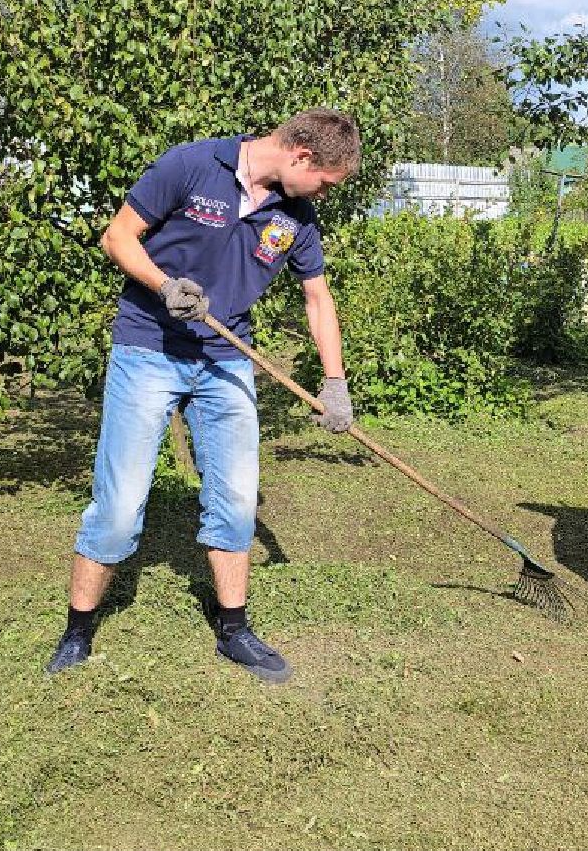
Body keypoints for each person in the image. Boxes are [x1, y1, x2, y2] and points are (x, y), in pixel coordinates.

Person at [45, 108, 362, 684]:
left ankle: (233, 629)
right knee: (119, 505)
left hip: (226, 359)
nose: (324, 195)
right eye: (325, 182)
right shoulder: (192, 165)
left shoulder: (296, 216)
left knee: (236, 499)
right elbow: (117, 237)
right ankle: (78, 630)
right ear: (302, 157)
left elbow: (318, 298)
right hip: (149, 349)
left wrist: (335, 382)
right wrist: (164, 286)